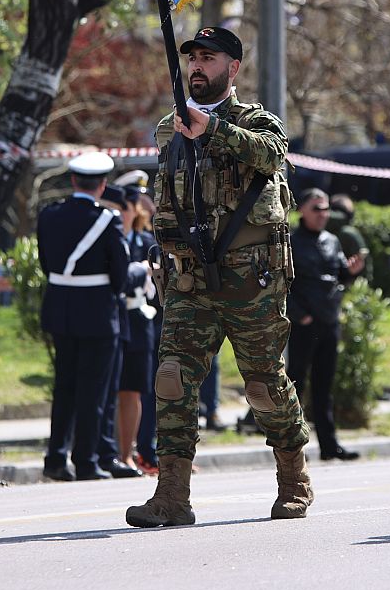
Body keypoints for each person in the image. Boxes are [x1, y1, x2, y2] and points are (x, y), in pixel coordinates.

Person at [127, 26, 312, 527]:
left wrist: (211, 129)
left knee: (264, 384)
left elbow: (272, 155)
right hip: (190, 280)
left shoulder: (255, 121)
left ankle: (293, 478)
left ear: (232, 68)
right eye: (192, 58)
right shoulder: (168, 129)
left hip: (251, 281)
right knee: (172, 379)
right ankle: (172, 494)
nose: (196, 67)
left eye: (208, 58)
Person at [36, 151, 130, 482]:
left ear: (74, 180)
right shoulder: (108, 219)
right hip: (97, 311)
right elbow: (120, 273)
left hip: (60, 307)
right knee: (93, 390)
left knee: (64, 386)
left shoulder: (50, 215)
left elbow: (45, 263)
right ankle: (87, 460)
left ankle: (56, 458)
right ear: (102, 185)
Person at [287, 188, 363, 461]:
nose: (323, 214)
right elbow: (283, 284)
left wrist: (351, 272)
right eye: (317, 208)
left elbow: (339, 274)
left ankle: (329, 446)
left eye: (326, 208)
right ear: (302, 210)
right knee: (295, 384)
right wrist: (299, 315)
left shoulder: (332, 240)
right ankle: (292, 447)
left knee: (324, 386)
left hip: (328, 321)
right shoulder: (291, 241)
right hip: (304, 324)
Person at [92, 184, 145, 479]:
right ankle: (104, 452)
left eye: (126, 208)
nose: (122, 214)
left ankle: (127, 453)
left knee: (132, 389)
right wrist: (140, 271)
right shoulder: (102, 234)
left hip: (136, 322)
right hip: (108, 318)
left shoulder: (144, 240)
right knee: (105, 389)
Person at [114, 176, 160, 474]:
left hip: (141, 321)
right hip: (115, 319)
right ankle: (115, 451)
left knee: (141, 389)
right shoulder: (108, 237)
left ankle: (140, 451)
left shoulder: (146, 243)